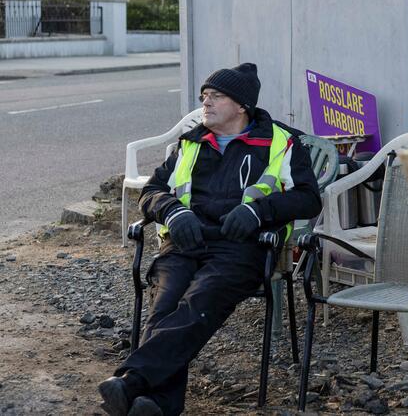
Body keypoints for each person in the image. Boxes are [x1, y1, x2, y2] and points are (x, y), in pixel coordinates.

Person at [98, 63, 322, 416]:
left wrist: (257, 212)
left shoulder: (282, 142)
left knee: (198, 301)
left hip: (243, 248)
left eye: (215, 96)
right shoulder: (191, 142)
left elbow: (309, 198)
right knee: (166, 303)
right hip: (184, 243)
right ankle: (155, 405)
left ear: (241, 105)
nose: (206, 102)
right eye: (204, 96)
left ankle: (133, 381)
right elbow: (152, 191)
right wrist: (172, 211)